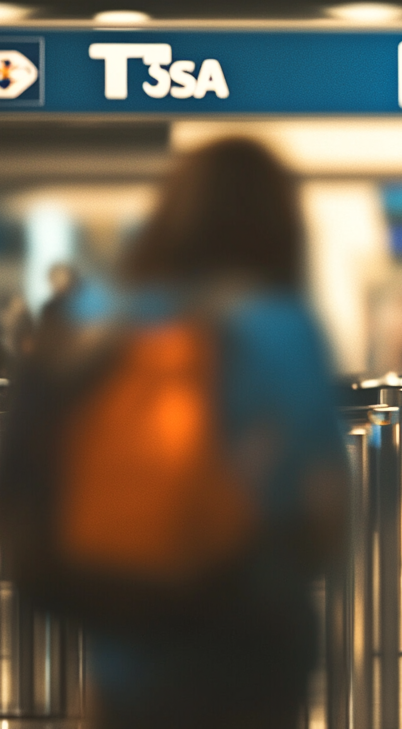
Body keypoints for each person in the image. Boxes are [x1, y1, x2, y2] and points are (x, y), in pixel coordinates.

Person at [62, 138, 346, 729]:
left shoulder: (97, 320)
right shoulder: (283, 328)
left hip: (125, 626)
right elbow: (321, 496)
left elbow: (38, 471)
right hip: (250, 634)